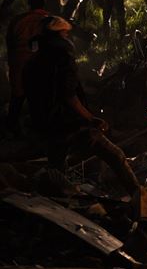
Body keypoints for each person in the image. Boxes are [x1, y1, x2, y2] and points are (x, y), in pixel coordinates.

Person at [23, 16, 140, 195]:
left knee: (56, 169)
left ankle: (55, 205)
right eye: (65, 32)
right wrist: (90, 118)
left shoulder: (32, 62)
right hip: (68, 123)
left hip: (46, 125)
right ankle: (139, 197)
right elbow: (69, 96)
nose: (68, 36)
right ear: (59, 34)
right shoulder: (62, 57)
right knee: (115, 155)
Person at [5, 0, 49, 135]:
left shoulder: (17, 20)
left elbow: (9, 43)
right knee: (39, 96)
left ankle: (12, 127)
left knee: (17, 95)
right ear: (44, 2)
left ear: (29, 3)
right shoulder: (48, 20)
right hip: (38, 62)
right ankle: (40, 129)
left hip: (18, 61)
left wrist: (11, 60)